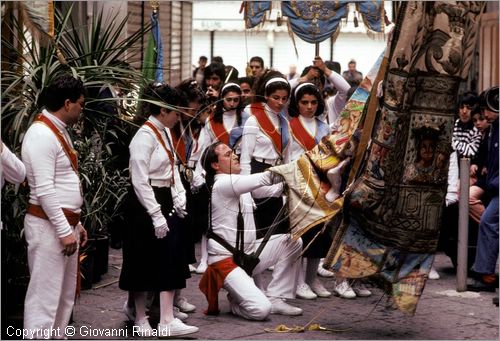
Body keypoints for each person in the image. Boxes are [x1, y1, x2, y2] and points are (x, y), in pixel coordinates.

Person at [118, 83, 198, 337]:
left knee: (170, 258)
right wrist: (155, 214)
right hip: (144, 201)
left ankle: (166, 319)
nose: (179, 116)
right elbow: (139, 180)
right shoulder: (143, 136)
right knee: (141, 259)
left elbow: (172, 166)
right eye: (176, 111)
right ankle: (140, 317)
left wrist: (179, 196)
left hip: (165, 195)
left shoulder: (164, 131)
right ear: (162, 110)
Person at [199, 142, 303, 320]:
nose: (234, 156)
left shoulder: (239, 182)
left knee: (293, 241)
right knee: (261, 310)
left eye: (233, 152)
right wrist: (302, 165)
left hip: (247, 256)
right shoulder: (223, 183)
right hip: (226, 262)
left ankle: (276, 297)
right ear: (215, 165)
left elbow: (274, 189)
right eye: (227, 154)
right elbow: (266, 178)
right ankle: (237, 303)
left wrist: (297, 181)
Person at [22, 74, 88, 338]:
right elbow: (45, 189)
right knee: (45, 299)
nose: (82, 109)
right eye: (81, 104)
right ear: (67, 102)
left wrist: (76, 223)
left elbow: (62, 183)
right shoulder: (41, 134)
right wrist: (63, 229)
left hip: (62, 223)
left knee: (63, 298)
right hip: (49, 226)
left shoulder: (56, 130)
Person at [193, 82, 249, 274]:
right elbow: (203, 147)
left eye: (236, 99)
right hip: (215, 172)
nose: (232, 103)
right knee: (209, 217)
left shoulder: (246, 120)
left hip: (237, 171)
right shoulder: (211, 121)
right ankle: (205, 258)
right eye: (229, 99)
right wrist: (199, 172)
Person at [287, 82, 332, 300]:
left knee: (319, 235)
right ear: (297, 104)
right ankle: (297, 283)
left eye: (314, 102)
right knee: (300, 237)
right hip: (297, 185)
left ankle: (312, 280)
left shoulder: (325, 127)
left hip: (321, 185)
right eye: (304, 102)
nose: (309, 106)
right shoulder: (289, 125)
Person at [240, 71, 291, 239]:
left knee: (277, 230)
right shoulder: (253, 120)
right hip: (258, 170)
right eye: (276, 97)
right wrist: (245, 191)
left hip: (277, 172)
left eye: (284, 98)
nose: (280, 102)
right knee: (260, 228)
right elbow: (245, 159)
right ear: (266, 96)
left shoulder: (285, 122)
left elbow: (288, 156)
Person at [468, 86, 499, 292]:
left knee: (488, 222)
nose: (484, 114)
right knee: (488, 222)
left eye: (487, 110)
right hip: (495, 184)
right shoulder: (494, 128)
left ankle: (485, 274)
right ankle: (484, 273)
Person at [452, 92, 482, 158]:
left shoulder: (477, 127)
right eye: (461, 107)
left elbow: (471, 152)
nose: (464, 111)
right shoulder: (455, 123)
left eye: (469, 107)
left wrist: (454, 143)